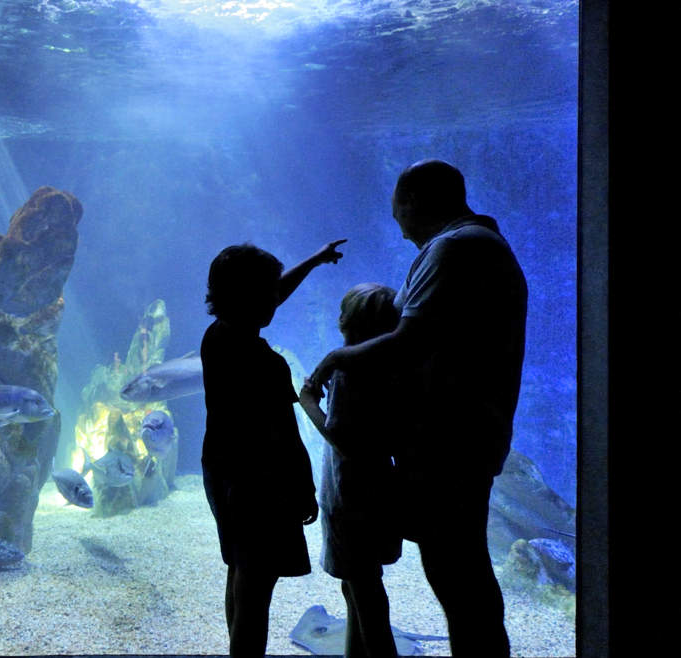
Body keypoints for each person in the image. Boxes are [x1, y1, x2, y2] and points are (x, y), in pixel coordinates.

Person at [309, 159, 527, 656]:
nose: (400, 228)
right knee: (459, 573)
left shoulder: (453, 247)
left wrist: (337, 358)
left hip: (451, 445)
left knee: (458, 576)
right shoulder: (479, 245)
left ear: (411, 202)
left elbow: (409, 341)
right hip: (460, 440)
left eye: (398, 213)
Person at [200, 238, 346, 657]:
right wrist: (303, 489)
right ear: (250, 298)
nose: (276, 298)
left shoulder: (217, 337)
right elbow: (282, 434)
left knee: (241, 572)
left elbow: (273, 292)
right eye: (267, 291)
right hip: (260, 483)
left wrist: (314, 260)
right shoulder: (265, 363)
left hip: (223, 473)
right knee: (257, 585)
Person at [299, 283, 405, 658]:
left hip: (351, 494)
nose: (338, 318)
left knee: (365, 590)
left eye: (344, 312)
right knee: (358, 587)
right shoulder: (391, 367)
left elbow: (342, 438)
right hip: (380, 487)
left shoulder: (348, 372)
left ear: (351, 323)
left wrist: (307, 401)